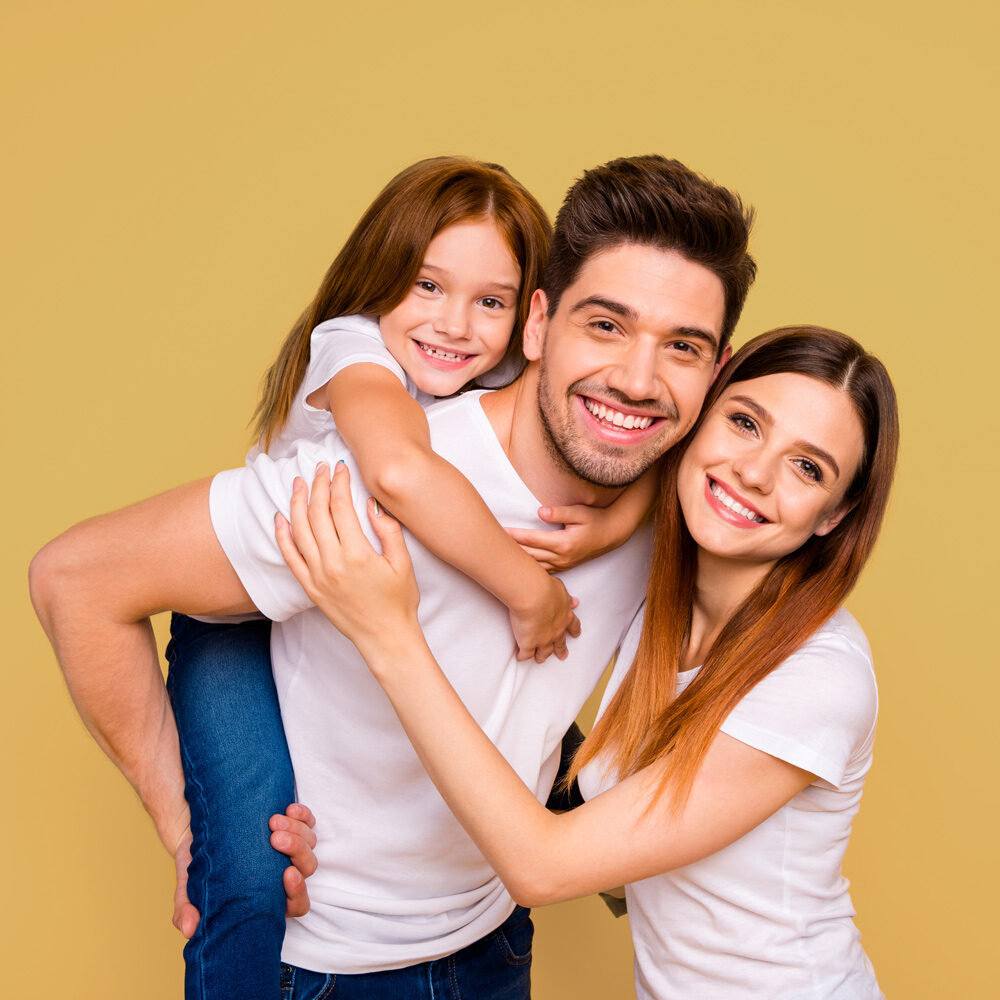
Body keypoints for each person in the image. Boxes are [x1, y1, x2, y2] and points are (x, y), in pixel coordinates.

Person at [29, 154, 756, 998]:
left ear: (718, 368)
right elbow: (73, 579)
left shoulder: (692, 497)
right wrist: (189, 827)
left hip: (493, 944)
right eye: (606, 326)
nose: (638, 377)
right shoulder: (360, 484)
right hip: (322, 970)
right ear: (540, 323)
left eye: (683, 347)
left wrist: (630, 514)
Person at [279, 325, 898, 999]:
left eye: (809, 468)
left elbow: (543, 867)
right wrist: (307, 818)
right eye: (745, 423)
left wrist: (387, 633)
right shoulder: (660, 586)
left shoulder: (817, 677)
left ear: (834, 515)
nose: (755, 471)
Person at [165, 155, 652, 1000]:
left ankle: (587, 832)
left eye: (491, 302)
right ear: (380, 277)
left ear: (531, 317)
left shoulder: (507, 376)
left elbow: (651, 424)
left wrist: (618, 516)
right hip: (239, 620)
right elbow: (398, 471)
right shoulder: (353, 347)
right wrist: (529, 589)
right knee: (248, 862)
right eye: (426, 286)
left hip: (469, 920)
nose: (457, 325)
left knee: (545, 765)